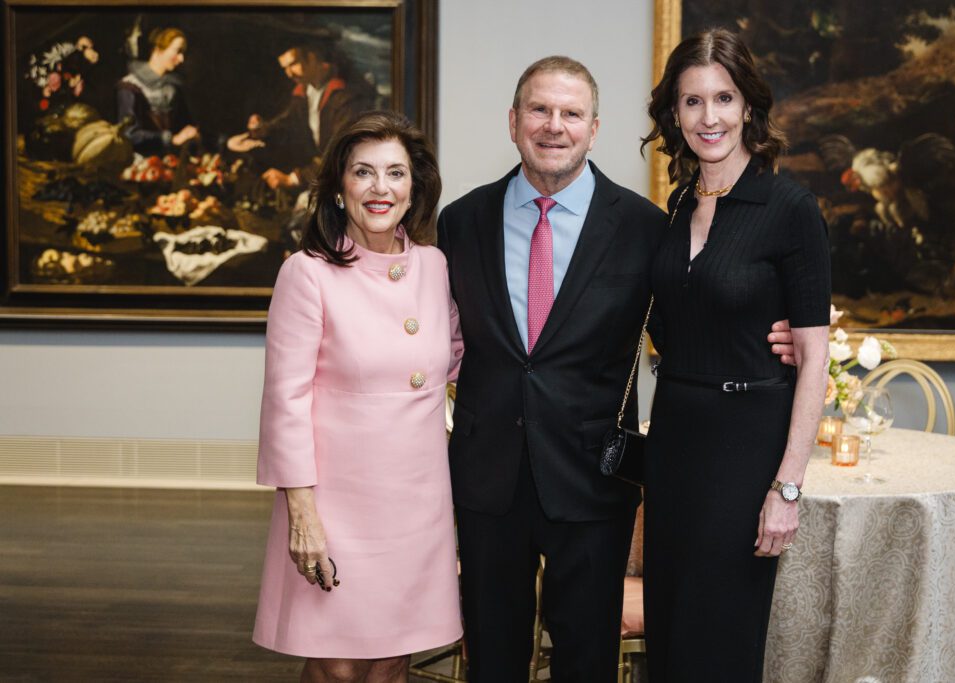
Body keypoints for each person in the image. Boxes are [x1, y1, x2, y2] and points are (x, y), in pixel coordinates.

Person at [437, 56, 797, 683]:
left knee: (586, 660)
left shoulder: (644, 227)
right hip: (486, 473)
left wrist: (773, 336)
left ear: (594, 128)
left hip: (592, 475)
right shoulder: (461, 221)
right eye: (540, 110)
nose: (555, 126)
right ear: (514, 121)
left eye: (571, 113)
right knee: (491, 657)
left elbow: (688, 326)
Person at [639, 28, 831, 681]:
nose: (709, 116)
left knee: (715, 643)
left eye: (724, 98)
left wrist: (787, 487)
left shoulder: (789, 207)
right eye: (692, 102)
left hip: (744, 448)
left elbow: (814, 360)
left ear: (748, 105)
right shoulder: (681, 204)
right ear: (675, 114)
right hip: (672, 443)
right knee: (668, 636)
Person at [253, 110, 463, 682]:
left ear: (413, 187)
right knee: (339, 666)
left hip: (416, 505)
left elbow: (459, 359)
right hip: (335, 504)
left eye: (395, 173)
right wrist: (302, 514)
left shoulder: (435, 266)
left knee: (393, 658)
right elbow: (285, 401)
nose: (380, 188)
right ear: (339, 187)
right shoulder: (307, 273)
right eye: (363, 172)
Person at [227, 44, 374, 190]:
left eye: (293, 65)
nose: (289, 74)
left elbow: (344, 155)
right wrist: (265, 128)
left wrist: (294, 178)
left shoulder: (345, 97)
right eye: (285, 68)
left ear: (312, 58)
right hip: (321, 172)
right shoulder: (305, 90)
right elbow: (288, 120)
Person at [116, 27, 199, 156]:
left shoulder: (172, 87)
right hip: (139, 162)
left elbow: (187, 126)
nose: (181, 58)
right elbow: (129, 134)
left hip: (170, 161)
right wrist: (170, 139)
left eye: (183, 53)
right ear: (158, 49)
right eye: (178, 51)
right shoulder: (130, 86)